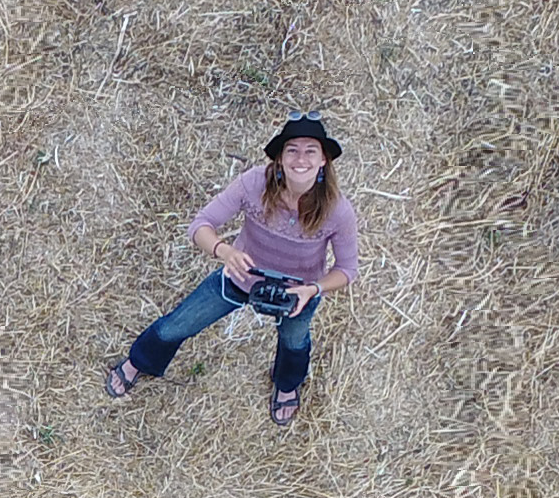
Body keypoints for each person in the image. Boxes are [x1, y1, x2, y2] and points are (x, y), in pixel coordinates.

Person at [104, 115, 364, 425]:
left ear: (324, 160)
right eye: (292, 150)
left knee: (295, 342)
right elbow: (201, 225)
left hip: (298, 294)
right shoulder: (254, 183)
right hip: (241, 279)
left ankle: (286, 385)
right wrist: (224, 250)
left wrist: (313, 289)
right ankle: (139, 362)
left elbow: (347, 269)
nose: (301, 159)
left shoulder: (338, 210)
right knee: (177, 325)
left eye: (311, 151)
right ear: (280, 157)